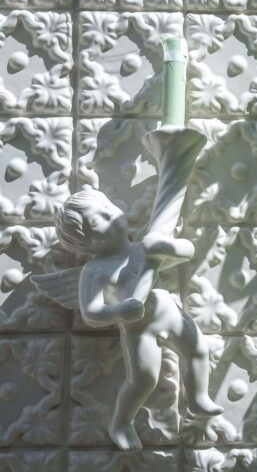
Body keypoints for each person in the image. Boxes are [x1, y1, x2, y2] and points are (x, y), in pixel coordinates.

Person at [50, 188, 223, 451]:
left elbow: (187, 252)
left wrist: (169, 246)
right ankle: (121, 422)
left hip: (168, 311)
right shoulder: (95, 271)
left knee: (198, 350)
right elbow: (91, 313)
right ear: (87, 242)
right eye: (99, 220)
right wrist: (119, 312)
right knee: (143, 381)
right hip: (138, 330)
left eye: (109, 207)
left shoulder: (143, 248)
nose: (112, 216)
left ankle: (198, 397)